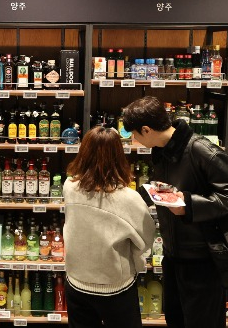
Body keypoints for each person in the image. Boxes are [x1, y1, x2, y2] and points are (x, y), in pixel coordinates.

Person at [122, 96, 228, 328]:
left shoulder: (201, 150)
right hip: (173, 255)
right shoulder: (161, 150)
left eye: (134, 134)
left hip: (204, 259)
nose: (133, 140)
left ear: (146, 130)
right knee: (176, 319)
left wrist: (189, 205)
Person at [63, 126, 155, 328]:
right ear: (118, 156)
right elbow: (147, 238)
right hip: (115, 286)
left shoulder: (69, 186)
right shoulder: (129, 198)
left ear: (84, 152)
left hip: (77, 280)